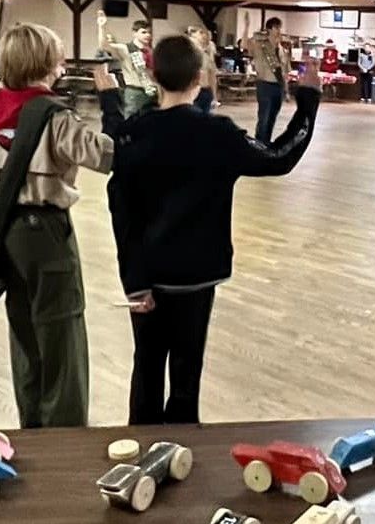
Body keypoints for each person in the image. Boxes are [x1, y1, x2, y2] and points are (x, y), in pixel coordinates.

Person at [106, 36, 321, 425]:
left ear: (154, 77)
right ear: (201, 77)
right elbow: (279, 158)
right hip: (197, 275)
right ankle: (181, 453)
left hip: (146, 278)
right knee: (187, 374)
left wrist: (134, 282)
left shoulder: (133, 133)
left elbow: (121, 210)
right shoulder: (218, 134)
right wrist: (307, 106)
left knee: (147, 368)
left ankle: (140, 452)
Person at [0, 23, 122, 428]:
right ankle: (64, 438)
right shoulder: (56, 116)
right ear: (48, 64)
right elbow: (106, 157)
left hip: (7, 233)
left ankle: (31, 428)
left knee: (25, 333)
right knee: (61, 337)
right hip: (48, 231)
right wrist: (113, 104)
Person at [245, 17, 288, 141]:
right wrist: (247, 27)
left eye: (279, 27)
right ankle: (260, 143)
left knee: (272, 118)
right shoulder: (260, 46)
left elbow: (284, 70)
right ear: (269, 29)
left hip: (278, 86)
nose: (279, 30)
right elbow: (244, 44)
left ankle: (266, 142)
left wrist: (286, 89)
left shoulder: (281, 49)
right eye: (276, 28)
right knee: (264, 117)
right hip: (265, 85)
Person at [113, 18, 157, 118]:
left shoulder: (151, 51)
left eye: (149, 33)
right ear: (135, 33)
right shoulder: (127, 48)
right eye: (144, 32)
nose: (148, 35)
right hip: (134, 91)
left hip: (151, 92)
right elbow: (105, 46)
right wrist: (102, 27)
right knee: (132, 124)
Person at [187, 25, 218, 114]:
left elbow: (212, 77)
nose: (202, 36)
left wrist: (214, 96)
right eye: (199, 33)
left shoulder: (207, 56)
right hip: (192, 90)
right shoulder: (187, 56)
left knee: (205, 121)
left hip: (206, 91)